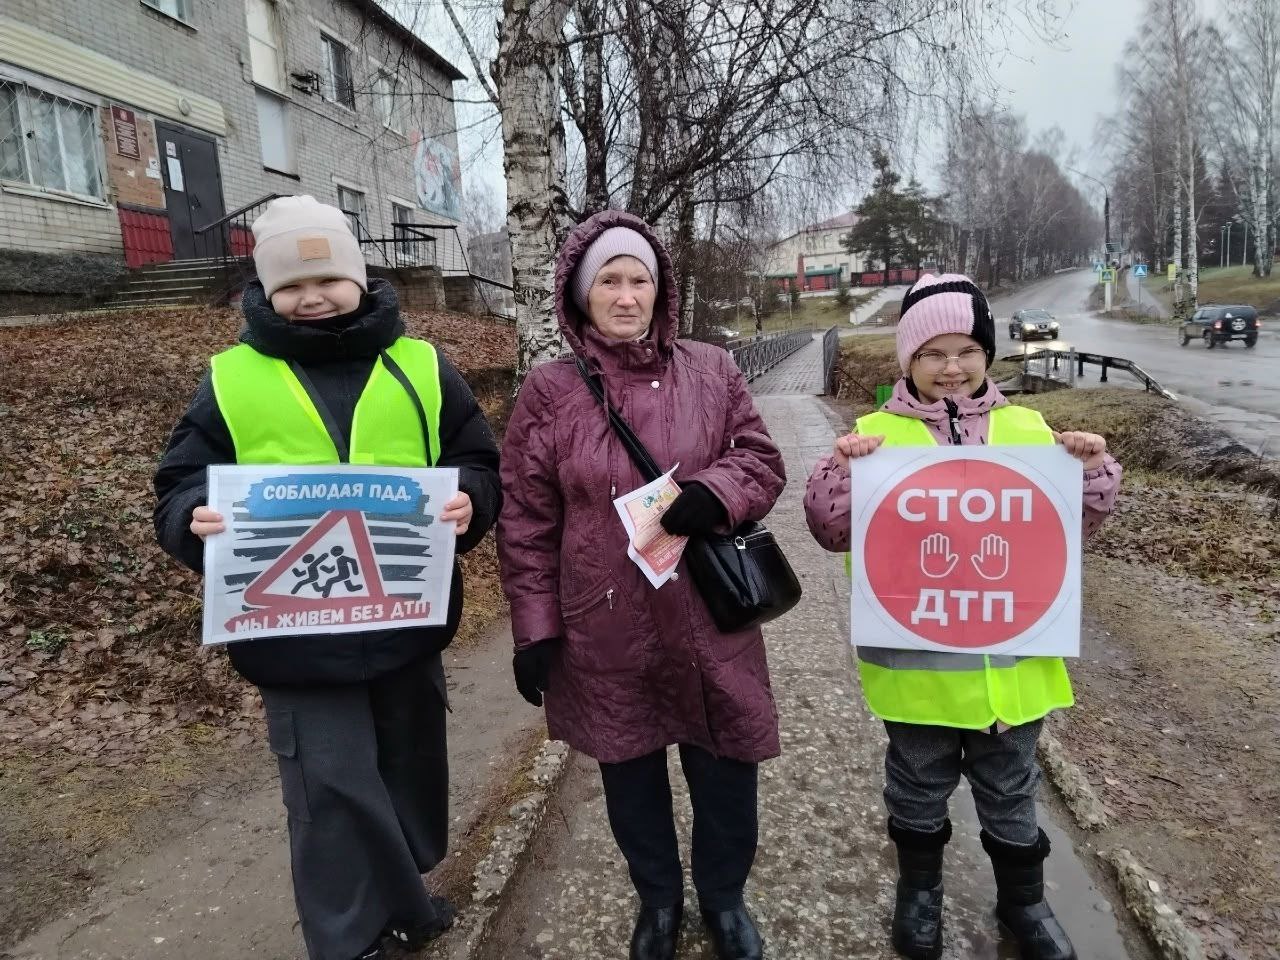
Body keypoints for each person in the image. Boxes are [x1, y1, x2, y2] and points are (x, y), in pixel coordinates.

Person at [153, 195, 501, 960]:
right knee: (330, 796)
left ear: (359, 276)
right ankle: (347, 943)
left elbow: (476, 460)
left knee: (408, 781)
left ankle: (405, 904)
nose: (311, 297)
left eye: (327, 280)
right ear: (266, 291)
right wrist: (191, 520)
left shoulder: (422, 368)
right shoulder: (232, 380)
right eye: (291, 286)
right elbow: (178, 485)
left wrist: (470, 501)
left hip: (406, 627)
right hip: (294, 642)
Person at [803, 273, 1121, 960]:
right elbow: (829, 530)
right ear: (908, 361)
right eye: (932, 354)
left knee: (1012, 790)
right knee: (917, 789)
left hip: (1013, 675)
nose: (951, 367)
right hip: (919, 678)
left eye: (966, 350)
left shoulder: (1028, 429)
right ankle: (919, 893)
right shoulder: (874, 436)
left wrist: (1093, 470)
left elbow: (1076, 525)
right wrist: (840, 472)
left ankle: (1024, 902)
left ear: (986, 354)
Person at [497, 210, 786, 960]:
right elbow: (526, 518)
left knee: (726, 769)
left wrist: (716, 492)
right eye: (609, 281)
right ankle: (658, 901)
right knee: (630, 776)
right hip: (605, 622)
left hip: (708, 613)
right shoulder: (550, 392)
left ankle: (724, 899)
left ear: (661, 291)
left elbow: (760, 458)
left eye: (640, 280)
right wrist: (536, 630)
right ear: (580, 294)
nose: (627, 297)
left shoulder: (711, 369)